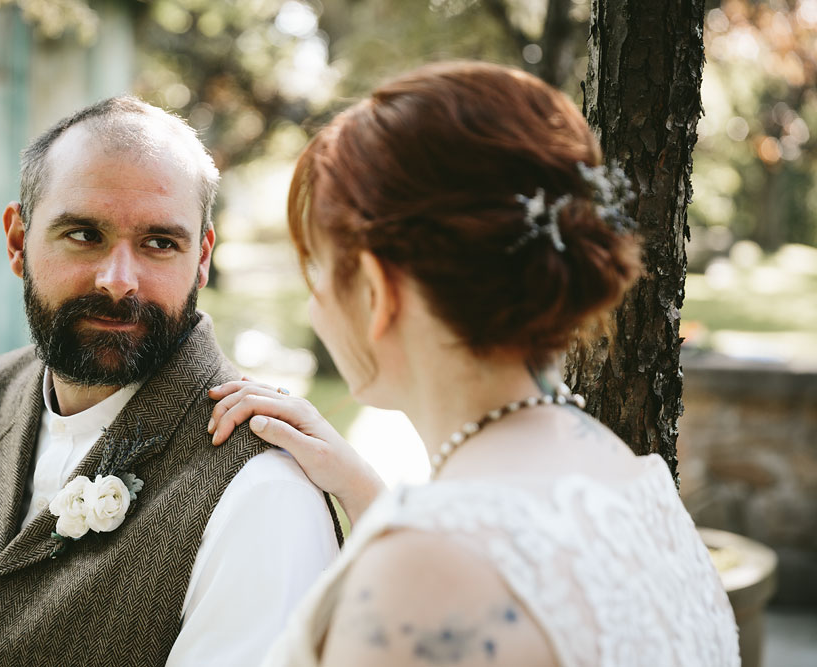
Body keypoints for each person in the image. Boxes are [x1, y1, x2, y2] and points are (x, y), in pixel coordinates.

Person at [208, 61, 740, 666]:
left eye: (318, 273)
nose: (315, 304)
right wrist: (359, 487)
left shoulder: (417, 581)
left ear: (378, 291)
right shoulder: (637, 486)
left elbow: (452, 575)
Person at [0, 96, 341, 667]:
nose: (119, 282)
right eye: (84, 234)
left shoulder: (264, 492)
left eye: (160, 243)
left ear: (202, 258)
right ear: (18, 240)